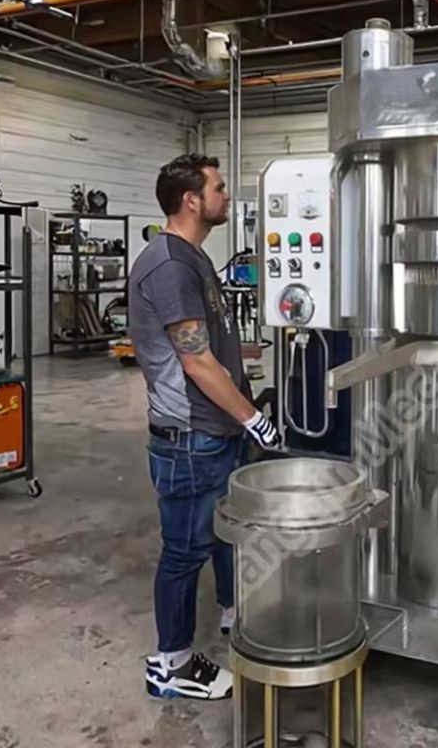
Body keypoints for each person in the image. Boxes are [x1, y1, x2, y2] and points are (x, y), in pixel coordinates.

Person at [129, 154, 282, 700]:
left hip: (215, 429)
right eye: (218, 187)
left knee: (223, 531)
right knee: (184, 549)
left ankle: (234, 609)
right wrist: (254, 418)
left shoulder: (191, 257)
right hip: (190, 436)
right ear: (191, 200)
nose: (225, 195)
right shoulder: (170, 265)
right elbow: (195, 360)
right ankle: (170, 665)